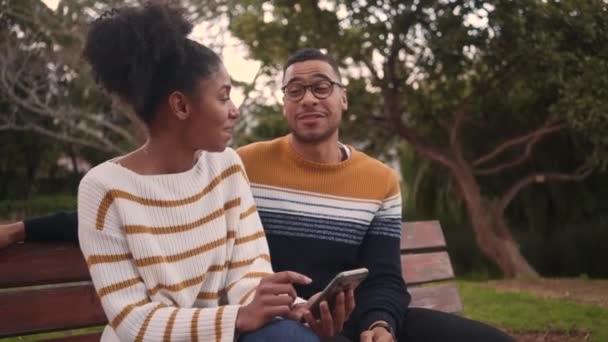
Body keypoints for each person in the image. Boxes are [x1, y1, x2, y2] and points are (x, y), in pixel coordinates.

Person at [0, 47, 514, 341]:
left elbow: (383, 276)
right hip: (268, 326)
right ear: (285, 103)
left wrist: (378, 322)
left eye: (322, 86)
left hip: (330, 320)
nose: (309, 97)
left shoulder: (379, 179)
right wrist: (25, 228)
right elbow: (141, 203)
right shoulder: (239, 162)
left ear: (344, 97)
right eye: (295, 89)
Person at [62, 3, 333, 342]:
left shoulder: (226, 167)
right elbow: (132, 321)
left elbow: (248, 273)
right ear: (181, 106)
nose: (234, 111)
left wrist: (288, 306)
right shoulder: (103, 188)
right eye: (223, 97)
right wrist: (239, 317)